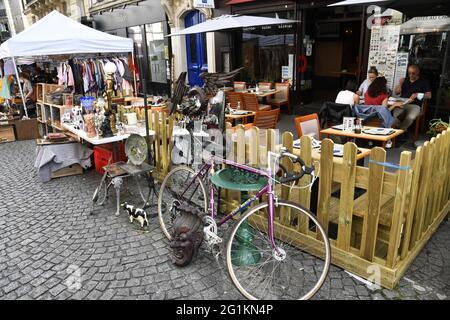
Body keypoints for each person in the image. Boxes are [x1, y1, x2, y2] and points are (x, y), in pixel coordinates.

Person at [393, 64, 432, 131]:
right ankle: (402, 130)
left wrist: (418, 94)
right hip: (402, 103)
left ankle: (401, 131)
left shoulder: (423, 82)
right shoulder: (405, 80)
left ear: (417, 73)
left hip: (415, 105)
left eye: (413, 73)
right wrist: (400, 84)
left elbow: (429, 95)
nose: (411, 75)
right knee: (393, 117)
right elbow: (396, 92)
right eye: (409, 73)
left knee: (410, 117)